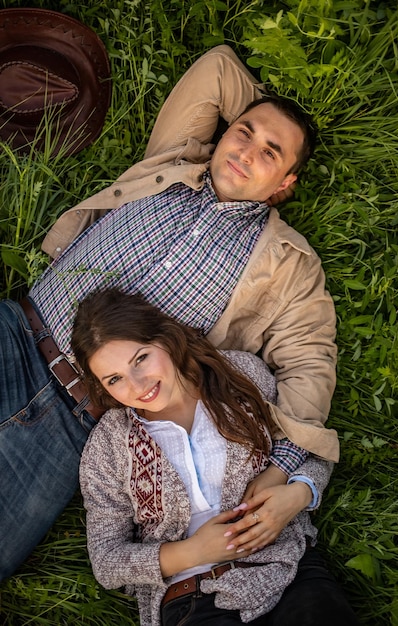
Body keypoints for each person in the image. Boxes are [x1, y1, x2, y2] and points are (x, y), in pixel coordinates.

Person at [0, 45, 338, 581]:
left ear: (285, 187)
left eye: (271, 154)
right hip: (17, 331)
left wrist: (281, 473)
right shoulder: (174, 160)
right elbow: (218, 67)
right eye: (244, 131)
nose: (246, 151)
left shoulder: (288, 265)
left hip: (83, 423)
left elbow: (310, 365)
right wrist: (271, 119)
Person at [74, 288, 358, 626]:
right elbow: (107, 561)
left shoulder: (238, 376)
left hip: (287, 568)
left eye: (141, 359)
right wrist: (194, 552)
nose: (137, 385)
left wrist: (298, 493)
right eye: (115, 379)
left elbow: (309, 445)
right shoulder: (108, 444)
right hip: (191, 598)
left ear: (164, 338)